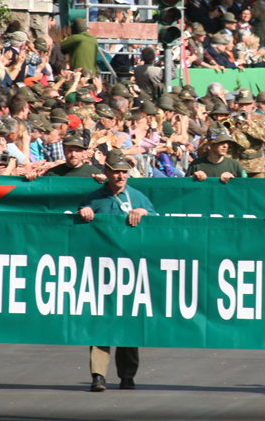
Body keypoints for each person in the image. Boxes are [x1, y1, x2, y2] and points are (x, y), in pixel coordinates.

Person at [78, 150, 156, 392]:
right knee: (100, 323)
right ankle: (98, 375)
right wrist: (83, 214)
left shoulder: (139, 197)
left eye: (124, 171)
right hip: (100, 272)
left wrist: (145, 214)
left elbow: (159, 225)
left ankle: (127, 375)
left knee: (129, 324)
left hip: (132, 273)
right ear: (106, 172)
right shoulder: (94, 199)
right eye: (115, 171)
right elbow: (75, 232)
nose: (120, 175)